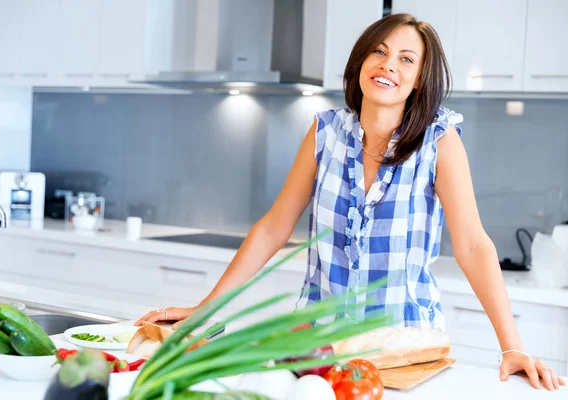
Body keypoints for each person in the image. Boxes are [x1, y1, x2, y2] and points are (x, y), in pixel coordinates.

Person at [136, 13, 565, 391]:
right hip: (315, 349)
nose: (388, 65)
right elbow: (273, 226)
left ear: (419, 81)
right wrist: (203, 310)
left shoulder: (439, 141)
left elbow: (473, 246)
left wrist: (512, 346)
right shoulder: (324, 134)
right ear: (361, 61)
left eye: (406, 59)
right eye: (379, 51)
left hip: (404, 352)